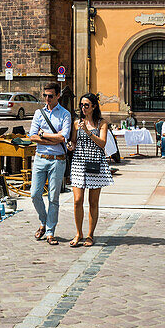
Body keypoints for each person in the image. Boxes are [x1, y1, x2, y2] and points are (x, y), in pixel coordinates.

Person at [67, 93, 114, 247]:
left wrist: (88, 132)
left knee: (93, 202)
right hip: (79, 163)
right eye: (81, 105)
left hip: (95, 164)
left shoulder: (102, 123)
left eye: (86, 105)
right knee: (77, 200)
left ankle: (90, 234)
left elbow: (102, 143)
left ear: (94, 106)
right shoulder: (76, 123)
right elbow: (74, 141)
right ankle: (78, 233)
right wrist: (70, 146)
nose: (83, 108)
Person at [29, 81, 72, 246]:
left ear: (58, 96)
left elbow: (63, 137)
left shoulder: (65, 114)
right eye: (45, 95)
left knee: (53, 198)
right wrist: (51, 138)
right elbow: (32, 136)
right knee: (34, 194)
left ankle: (50, 232)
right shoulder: (39, 113)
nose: (47, 98)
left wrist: (43, 134)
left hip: (57, 161)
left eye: (50, 96)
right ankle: (44, 221)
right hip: (40, 158)